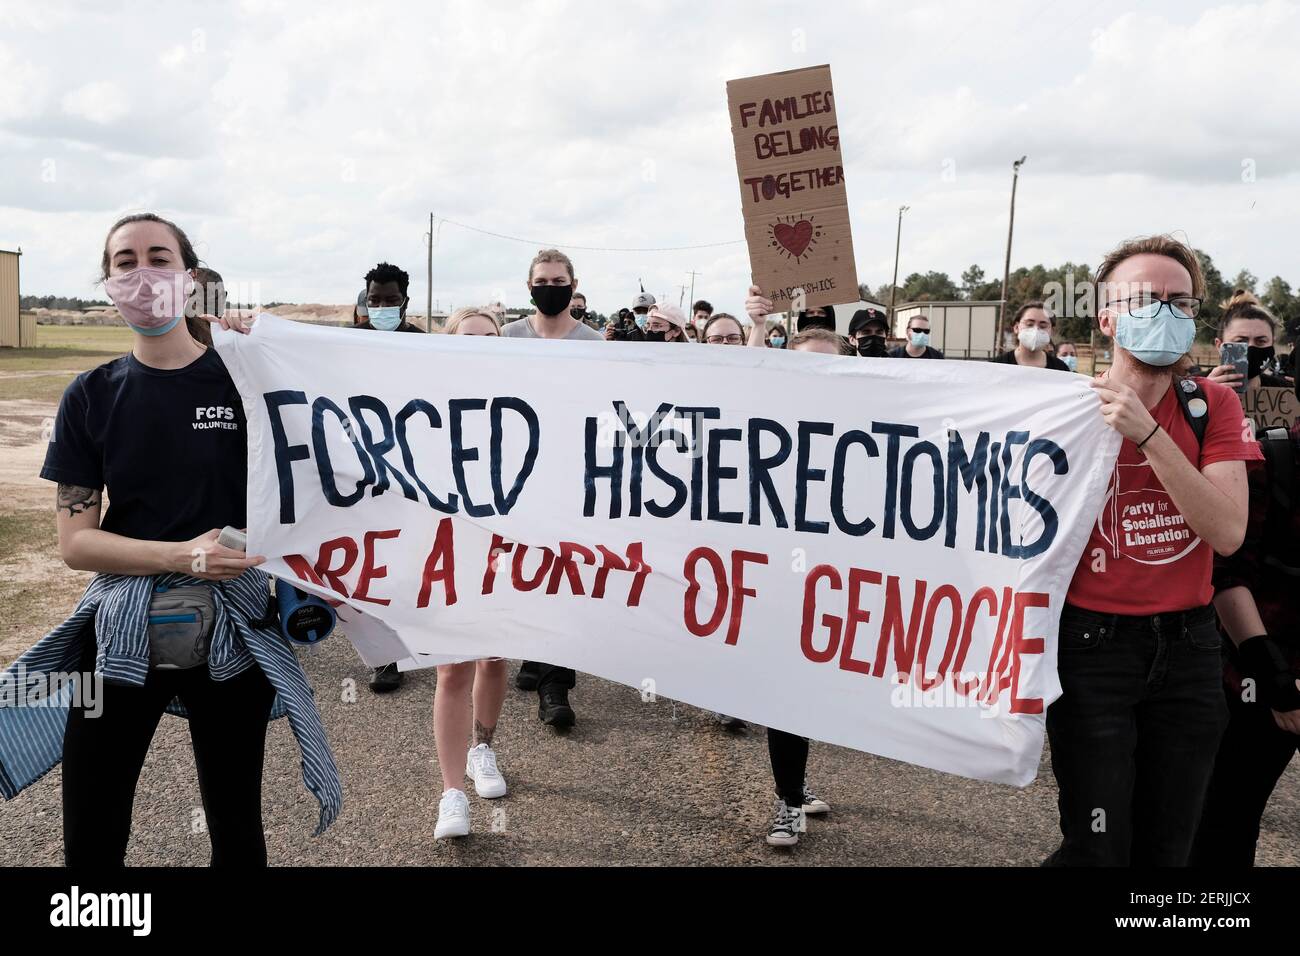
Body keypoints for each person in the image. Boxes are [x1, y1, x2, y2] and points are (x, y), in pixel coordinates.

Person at [6, 212, 341, 865]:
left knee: (238, 833)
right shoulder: (89, 396)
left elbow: (336, 449)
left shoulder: (247, 385)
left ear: (189, 277)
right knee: (93, 837)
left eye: (159, 257)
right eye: (123, 262)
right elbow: (77, 544)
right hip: (120, 635)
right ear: (108, 284)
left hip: (233, 638)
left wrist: (260, 340)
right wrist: (182, 554)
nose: (141, 274)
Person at [1045, 234, 1260, 867]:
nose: (1165, 312)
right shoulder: (1060, 407)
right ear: (1107, 316)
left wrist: (1145, 433)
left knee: (1168, 851)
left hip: (1190, 653)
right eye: (1145, 298)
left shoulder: (1212, 405)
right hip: (1091, 652)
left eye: (1180, 301)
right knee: (1098, 846)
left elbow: (1226, 531)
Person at [741, 285, 836, 847]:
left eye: (831, 367)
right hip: (784, 578)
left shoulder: (873, 423)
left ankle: (796, 789)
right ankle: (787, 798)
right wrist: (758, 326)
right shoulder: (770, 416)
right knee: (789, 689)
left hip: (848, 580)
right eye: (807, 368)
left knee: (832, 692)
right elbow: (745, 384)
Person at [1192, 420, 1300, 866]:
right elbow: (1227, 576)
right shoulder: (1267, 463)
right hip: (1260, 679)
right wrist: (1277, 682)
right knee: (1224, 823)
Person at [503, 249, 602, 729]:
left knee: (565, 570)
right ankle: (531, 651)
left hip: (570, 473)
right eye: (542, 279)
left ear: (573, 284)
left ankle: (555, 684)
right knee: (523, 564)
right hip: (516, 474)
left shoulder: (595, 342)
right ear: (529, 286)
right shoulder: (507, 337)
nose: (550, 286)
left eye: (558, 280)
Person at [431, 307, 511, 839]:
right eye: (469, 338)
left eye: (489, 337)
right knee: (453, 668)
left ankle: (483, 746)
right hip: (446, 545)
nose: (479, 345)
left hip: (507, 546)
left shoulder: (528, 399)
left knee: (496, 656)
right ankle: (451, 792)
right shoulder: (429, 402)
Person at [356, 262, 425, 692]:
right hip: (363, 468)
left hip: (410, 468)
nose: (382, 307)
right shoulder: (346, 341)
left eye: (390, 301)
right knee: (372, 563)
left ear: (405, 302)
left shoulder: (422, 345)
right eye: (374, 300)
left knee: (407, 559)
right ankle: (386, 658)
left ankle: (417, 641)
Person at [1203, 290, 1291, 391]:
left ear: (1272, 344)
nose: (1251, 348)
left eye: (1261, 341)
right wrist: (1202, 393)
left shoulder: (1286, 392)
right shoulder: (1190, 388)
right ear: (1219, 346)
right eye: (1240, 341)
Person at [993, 301, 1070, 370]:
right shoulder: (996, 366)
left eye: (1043, 326)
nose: (1036, 330)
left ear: (1052, 331)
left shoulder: (1061, 369)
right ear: (1016, 327)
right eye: (1029, 324)